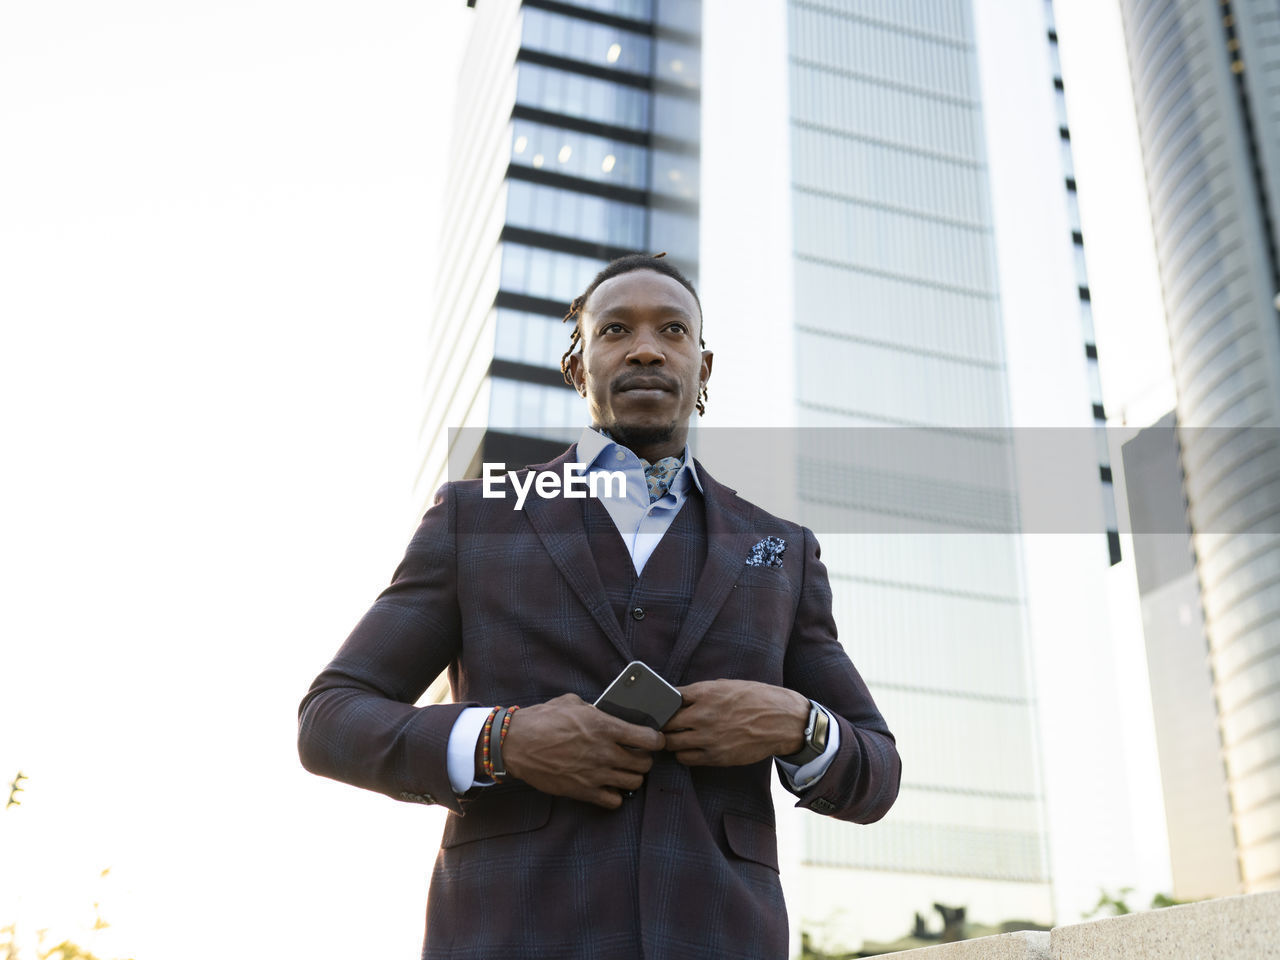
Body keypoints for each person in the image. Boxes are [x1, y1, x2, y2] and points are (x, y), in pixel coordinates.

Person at [298, 253, 900, 959]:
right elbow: (331, 718)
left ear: (702, 372)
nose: (646, 347)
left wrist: (796, 723)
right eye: (615, 330)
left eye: (673, 330)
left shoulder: (781, 549)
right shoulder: (477, 519)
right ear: (577, 368)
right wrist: (502, 740)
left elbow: (876, 769)